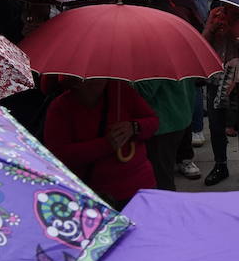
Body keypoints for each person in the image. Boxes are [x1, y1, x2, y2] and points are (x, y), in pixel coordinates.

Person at [43, 79, 158, 210]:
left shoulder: (121, 90)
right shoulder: (60, 107)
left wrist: (134, 127)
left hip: (138, 187)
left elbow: (152, 121)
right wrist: (106, 144)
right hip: (91, 194)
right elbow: (58, 155)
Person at [202, 3, 239, 186]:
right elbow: (203, 44)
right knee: (216, 125)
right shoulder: (215, 14)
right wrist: (211, 28)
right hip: (216, 77)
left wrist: (231, 32)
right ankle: (220, 164)